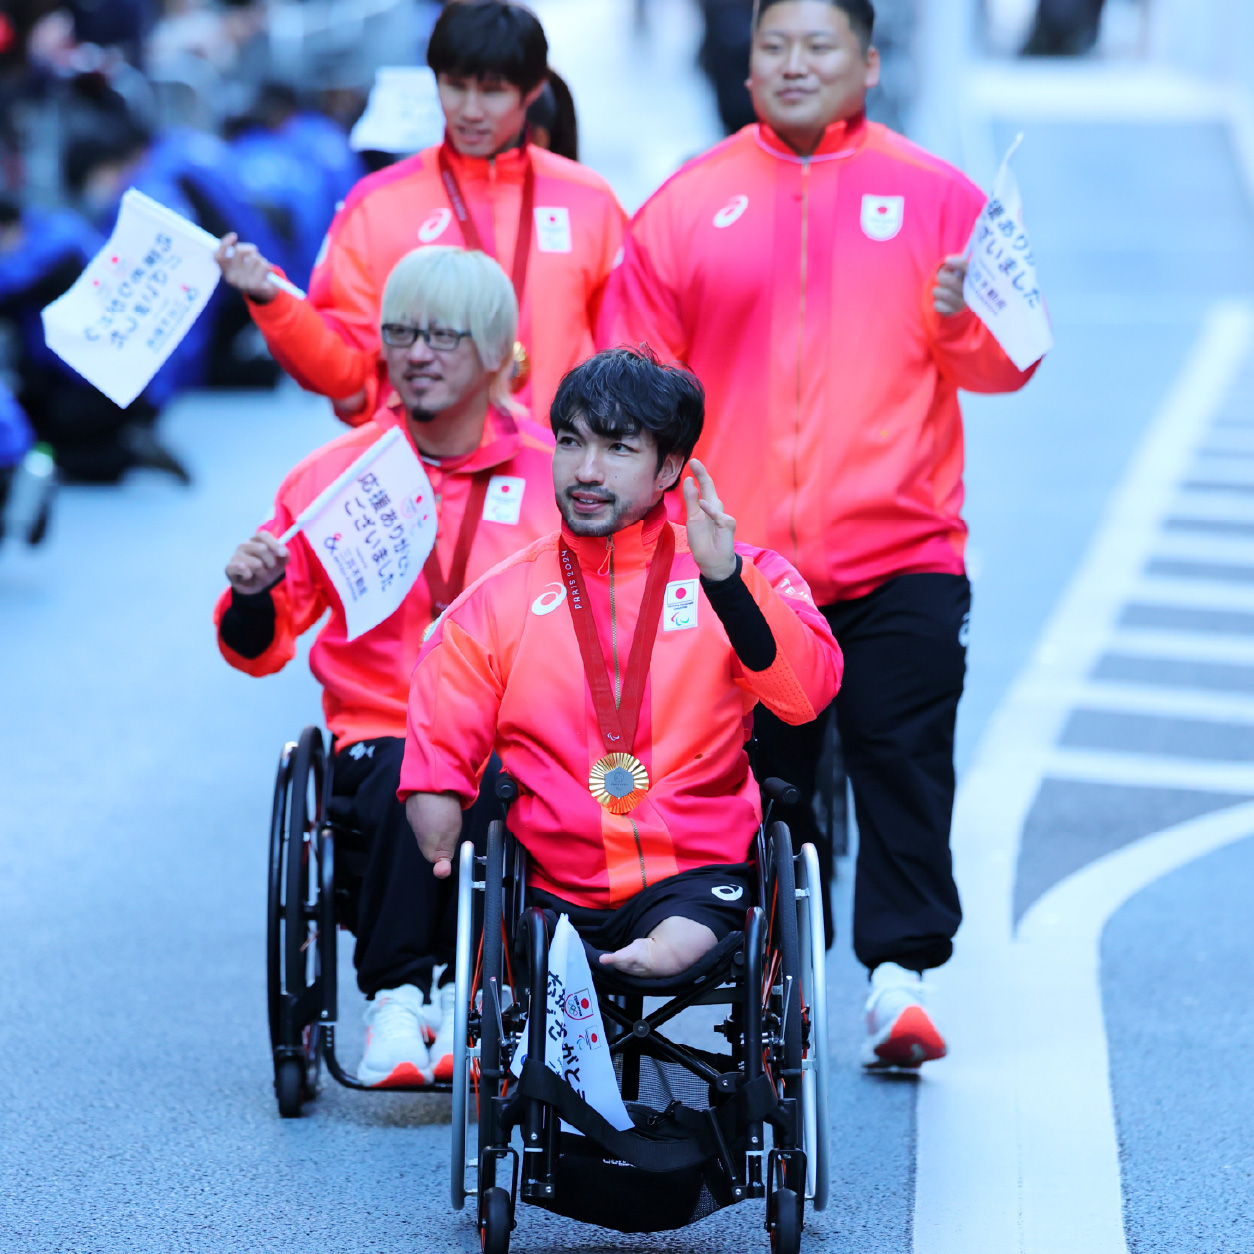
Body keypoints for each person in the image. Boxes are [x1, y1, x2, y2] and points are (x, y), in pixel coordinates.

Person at [599, 0, 1042, 1065]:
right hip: (742, 564)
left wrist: (956, 319)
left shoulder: (938, 197)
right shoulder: (686, 204)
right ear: (746, 62)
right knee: (754, 778)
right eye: (774, 46)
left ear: (871, 62)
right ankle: (760, 966)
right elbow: (628, 372)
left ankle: (901, 979)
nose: (794, 64)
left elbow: (1013, 359)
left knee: (901, 752)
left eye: (820, 45)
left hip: (902, 548)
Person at [214, 246, 558, 1085]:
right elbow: (260, 644)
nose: (418, 353)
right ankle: (401, 997)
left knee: (518, 774)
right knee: (419, 764)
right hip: (382, 731)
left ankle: (470, 989)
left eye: (443, 334)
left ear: (493, 350)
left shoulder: (557, 475)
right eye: (401, 332)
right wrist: (256, 593)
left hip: (520, 734)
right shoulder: (339, 479)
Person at [400, 347, 843, 980]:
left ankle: (654, 964)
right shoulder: (505, 594)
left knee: (689, 934)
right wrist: (435, 789)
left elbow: (806, 694)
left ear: (669, 468)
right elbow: (448, 693)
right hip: (551, 882)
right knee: (531, 952)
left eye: (618, 450)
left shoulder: (741, 573)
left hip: (698, 871)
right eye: (571, 443)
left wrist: (728, 585)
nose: (586, 470)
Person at [215, 0, 625, 429]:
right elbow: (346, 375)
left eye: (491, 91)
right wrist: (275, 305)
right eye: (454, 85)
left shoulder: (590, 200)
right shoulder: (378, 203)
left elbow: (625, 353)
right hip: (419, 478)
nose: (469, 109)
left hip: (557, 479)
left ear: (533, 89)